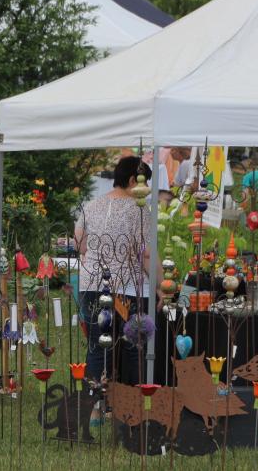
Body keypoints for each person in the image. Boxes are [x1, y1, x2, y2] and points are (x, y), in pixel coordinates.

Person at [74, 155, 152, 386]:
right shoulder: (139, 210)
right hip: (128, 288)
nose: (146, 188)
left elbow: (80, 243)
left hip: (92, 285)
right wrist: (160, 285)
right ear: (132, 180)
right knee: (132, 347)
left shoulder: (93, 205)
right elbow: (145, 254)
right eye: (144, 182)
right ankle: (130, 401)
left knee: (97, 346)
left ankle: (95, 405)